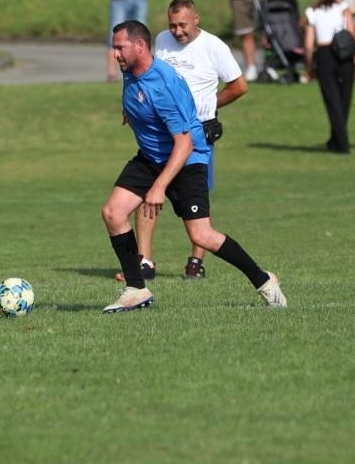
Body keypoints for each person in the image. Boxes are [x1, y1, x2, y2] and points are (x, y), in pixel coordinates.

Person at [101, 21, 286, 313]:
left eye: (120, 47)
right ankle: (136, 289)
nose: (115, 54)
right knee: (113, 212)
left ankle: (263, 280)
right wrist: (131, 111)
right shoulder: (131, 69)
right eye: (114, 47)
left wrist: (159, 186)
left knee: (202, 236)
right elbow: (138, 96)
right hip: (151, 157)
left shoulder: (164, 85)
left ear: (140, 46)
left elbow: (184, 144)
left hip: (186, 160)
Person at [140, 0, 248, 282]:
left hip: (197, 133)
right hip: (163, 132)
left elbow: (239, 86)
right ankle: (144, 262)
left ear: (196, 18)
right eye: (172, 25)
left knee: (197, 199)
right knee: (150, 190)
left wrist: (210, 106)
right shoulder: (162, 40)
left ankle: (196, 262)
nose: (177, 31)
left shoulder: (214, 47)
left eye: (182, 25)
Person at [302, 0, 355, 153]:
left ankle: (340, 143)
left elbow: (309, 44)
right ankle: (337, 139)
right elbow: (352, 34)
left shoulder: (312, 12)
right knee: (344, 99)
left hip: (325, 54)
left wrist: (310, 64)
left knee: (332, 101)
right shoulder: (344, 8)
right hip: (345, 53)